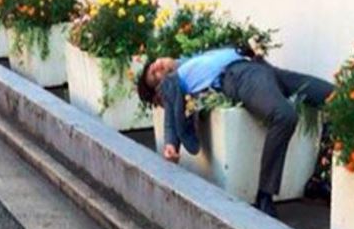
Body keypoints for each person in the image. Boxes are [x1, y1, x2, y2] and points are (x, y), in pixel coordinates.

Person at [138, 47, 334, 218]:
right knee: (284, 116)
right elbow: (171, 117)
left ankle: (319, 178)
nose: (156, 67)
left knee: (334, 96)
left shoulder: (190, 60)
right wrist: (171, 144)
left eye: (153, 66)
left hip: (259, 67)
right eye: (154, 76)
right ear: (160, 92)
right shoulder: (173, 82)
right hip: (239, 77)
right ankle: (265, 194)